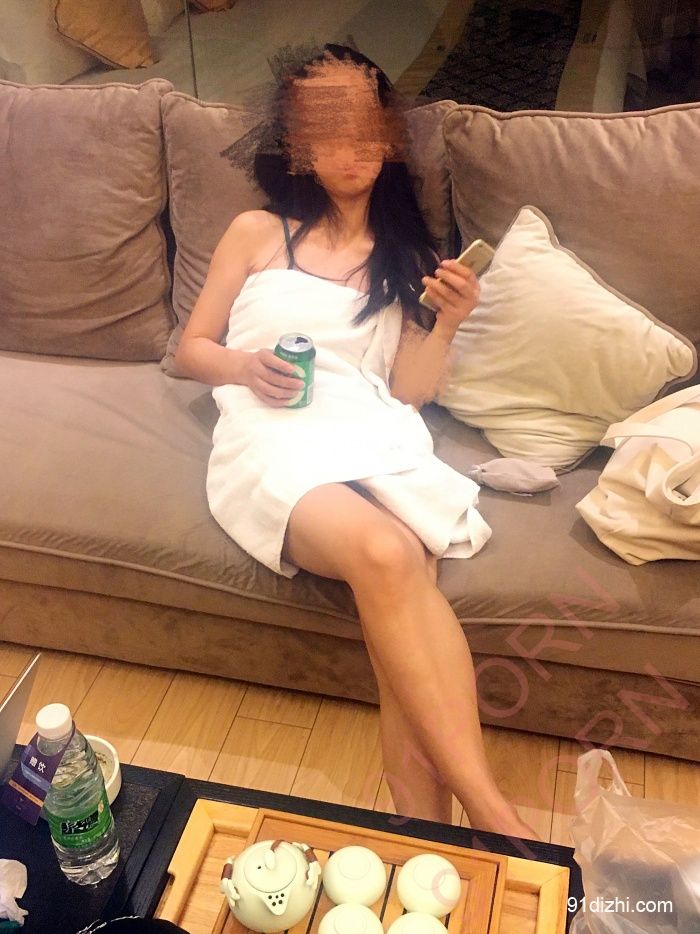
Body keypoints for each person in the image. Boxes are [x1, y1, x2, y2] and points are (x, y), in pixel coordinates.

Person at [175, 43, 535, 840]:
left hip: (371, 429)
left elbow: (408, 391)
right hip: (274, 428)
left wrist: (449, 321)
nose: (352, 150)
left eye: (367, 129)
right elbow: (189, 349)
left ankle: (428, 835)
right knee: (388, 552)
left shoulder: (407, 259)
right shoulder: (256, 232)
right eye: (327, 132)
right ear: (297, 146)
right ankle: (496, 819)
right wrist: (243, 365)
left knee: (406, 576)